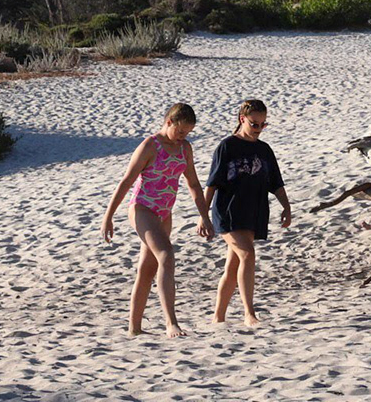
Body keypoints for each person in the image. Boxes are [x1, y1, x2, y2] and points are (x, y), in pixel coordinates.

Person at [101, 102, 212, 338]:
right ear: (169, 122)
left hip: (164, 212)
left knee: (147, 268)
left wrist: (205, 216)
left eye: (188, 133)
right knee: (166, 255)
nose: (183, 137)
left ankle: (134, 328)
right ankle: (171, 322)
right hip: (142, 208)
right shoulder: (150, 146)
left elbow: (193, 184)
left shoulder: (185, 149)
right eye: (180, 131)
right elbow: (126, 181)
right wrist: (108, 217)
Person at [203, 98, 292, 328]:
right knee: (247, 255)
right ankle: (249, 313)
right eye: (254, 124)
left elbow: (276, 182)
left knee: (232, 267)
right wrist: (203, 216)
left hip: (253, 212)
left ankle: (218, 318)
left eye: (263, 124)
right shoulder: (227, 146)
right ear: (242, 119)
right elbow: (212, 184)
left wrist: (286, 206)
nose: (259, 129)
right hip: (228, 212)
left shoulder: (264, 149)